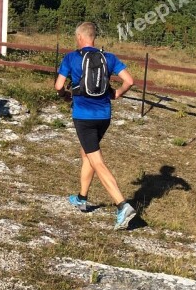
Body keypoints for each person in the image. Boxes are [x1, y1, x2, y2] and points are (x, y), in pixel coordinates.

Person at [55, 21, 137, 230]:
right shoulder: (108, 57)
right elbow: (129, 80)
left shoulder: (71, 57)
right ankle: (82, 197)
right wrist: (117, 93)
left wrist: (64, 96)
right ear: (94, 37)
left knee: (97, 161)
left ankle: (122, 205)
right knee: (87, 154)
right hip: (104, 116)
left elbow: (58, 86)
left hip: (83, 117)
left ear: (80, 37)